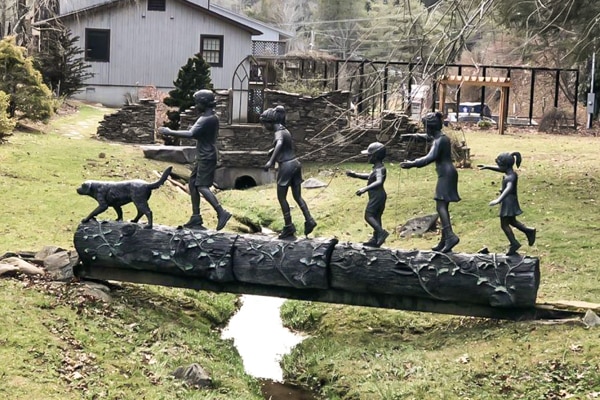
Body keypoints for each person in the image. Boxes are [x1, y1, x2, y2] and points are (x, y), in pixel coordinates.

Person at [158, 89, 231, 231]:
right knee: (192, 184)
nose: (196, 106)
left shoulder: (206, 119)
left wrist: (169, 131)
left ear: (203, 103)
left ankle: (222, 212)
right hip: (204, 155)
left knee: (202, 186)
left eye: (197, 103)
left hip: (206, 156)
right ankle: (196, 217)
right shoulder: (210, 117)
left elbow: (191, 134)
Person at [400, 111, 460, 253]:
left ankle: (450, 236)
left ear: (430, 127)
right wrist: (411, 136)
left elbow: (429, 158)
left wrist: (412, 164)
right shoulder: (439, 137)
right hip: (447, 173)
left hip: (446, 175)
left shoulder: (440, 141)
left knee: (440, 206)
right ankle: (444, 240)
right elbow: (426, 137)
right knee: (442, 205)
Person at [261, 105, 317, 239]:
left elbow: (280, 144)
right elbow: (285, 146)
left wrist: (271, 161)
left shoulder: (278, 132)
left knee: (282, 197)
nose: (264, 128)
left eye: (264, 124)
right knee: (297, 196)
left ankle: (288, 227)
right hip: (295, 164)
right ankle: (309, 219)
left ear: (269, 122)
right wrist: (272, 150)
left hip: (286, 166)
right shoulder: (285, 130)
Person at [478, 152, 536, 255]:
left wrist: (498, 199)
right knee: (512, 221)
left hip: (508, 202)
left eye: (500, 165)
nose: (499, 168)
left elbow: (508, 188)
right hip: (510, 201)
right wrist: (487, 167)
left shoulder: (510, 177)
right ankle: (528, 231)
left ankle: (514, 243)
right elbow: (501, 169)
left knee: (504, 225)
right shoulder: (510, 172)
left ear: (505, 166)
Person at [346, 142, 389, 247]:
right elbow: (369, 177)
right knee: (377, 217)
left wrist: (364, 189)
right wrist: (355, 175)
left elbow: (378, 182)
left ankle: (381, 232)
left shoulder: (380, 169)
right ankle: (376, 239)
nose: (367, 157)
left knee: (368, 215)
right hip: (377, 196)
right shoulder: (377, 168)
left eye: (369, 155)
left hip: (377, 196)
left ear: (375, 156)